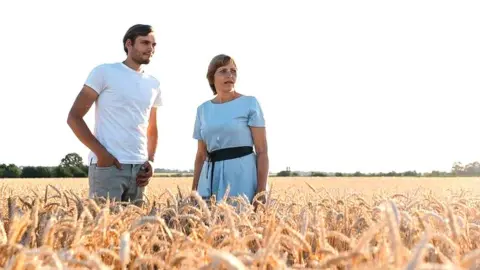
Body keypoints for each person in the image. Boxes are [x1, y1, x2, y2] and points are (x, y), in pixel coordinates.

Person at [67, 24, 162, 203]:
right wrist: (102, 155)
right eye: (145, 43)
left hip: (140, 171)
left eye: (153, 44)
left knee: (137, 230)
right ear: (129, 44)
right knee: (102, 229)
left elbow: (152, 128)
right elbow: (74, 117)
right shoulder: (104, 72)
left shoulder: (154, 84)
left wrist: (151, 161)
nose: (150, 48)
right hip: (109, 167)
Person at [191, 54, 269, 207]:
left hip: (242, 174)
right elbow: (201, 154)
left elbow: (262, 151)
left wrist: (261, 190)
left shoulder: (250, 103)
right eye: (223, 71)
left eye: (233, 71)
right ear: (212, 76)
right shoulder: (203, 110)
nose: (230, 75)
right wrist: (194, 190)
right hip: (210, 177)